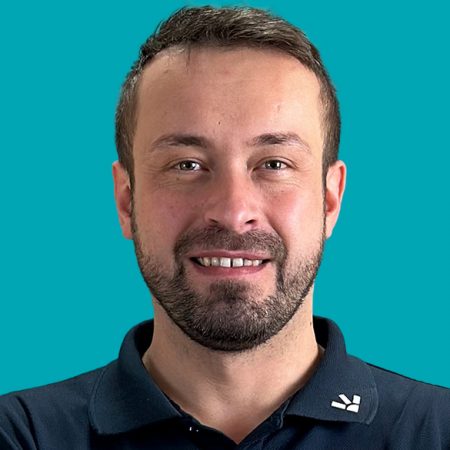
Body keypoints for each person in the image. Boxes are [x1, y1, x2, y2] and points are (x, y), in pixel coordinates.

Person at [0, 5, 449, 449]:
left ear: (330, 199)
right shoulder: (22, 434)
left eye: (274, 164)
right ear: (126, 201)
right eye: (187, 164)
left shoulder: (437, 430)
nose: (234, 212)